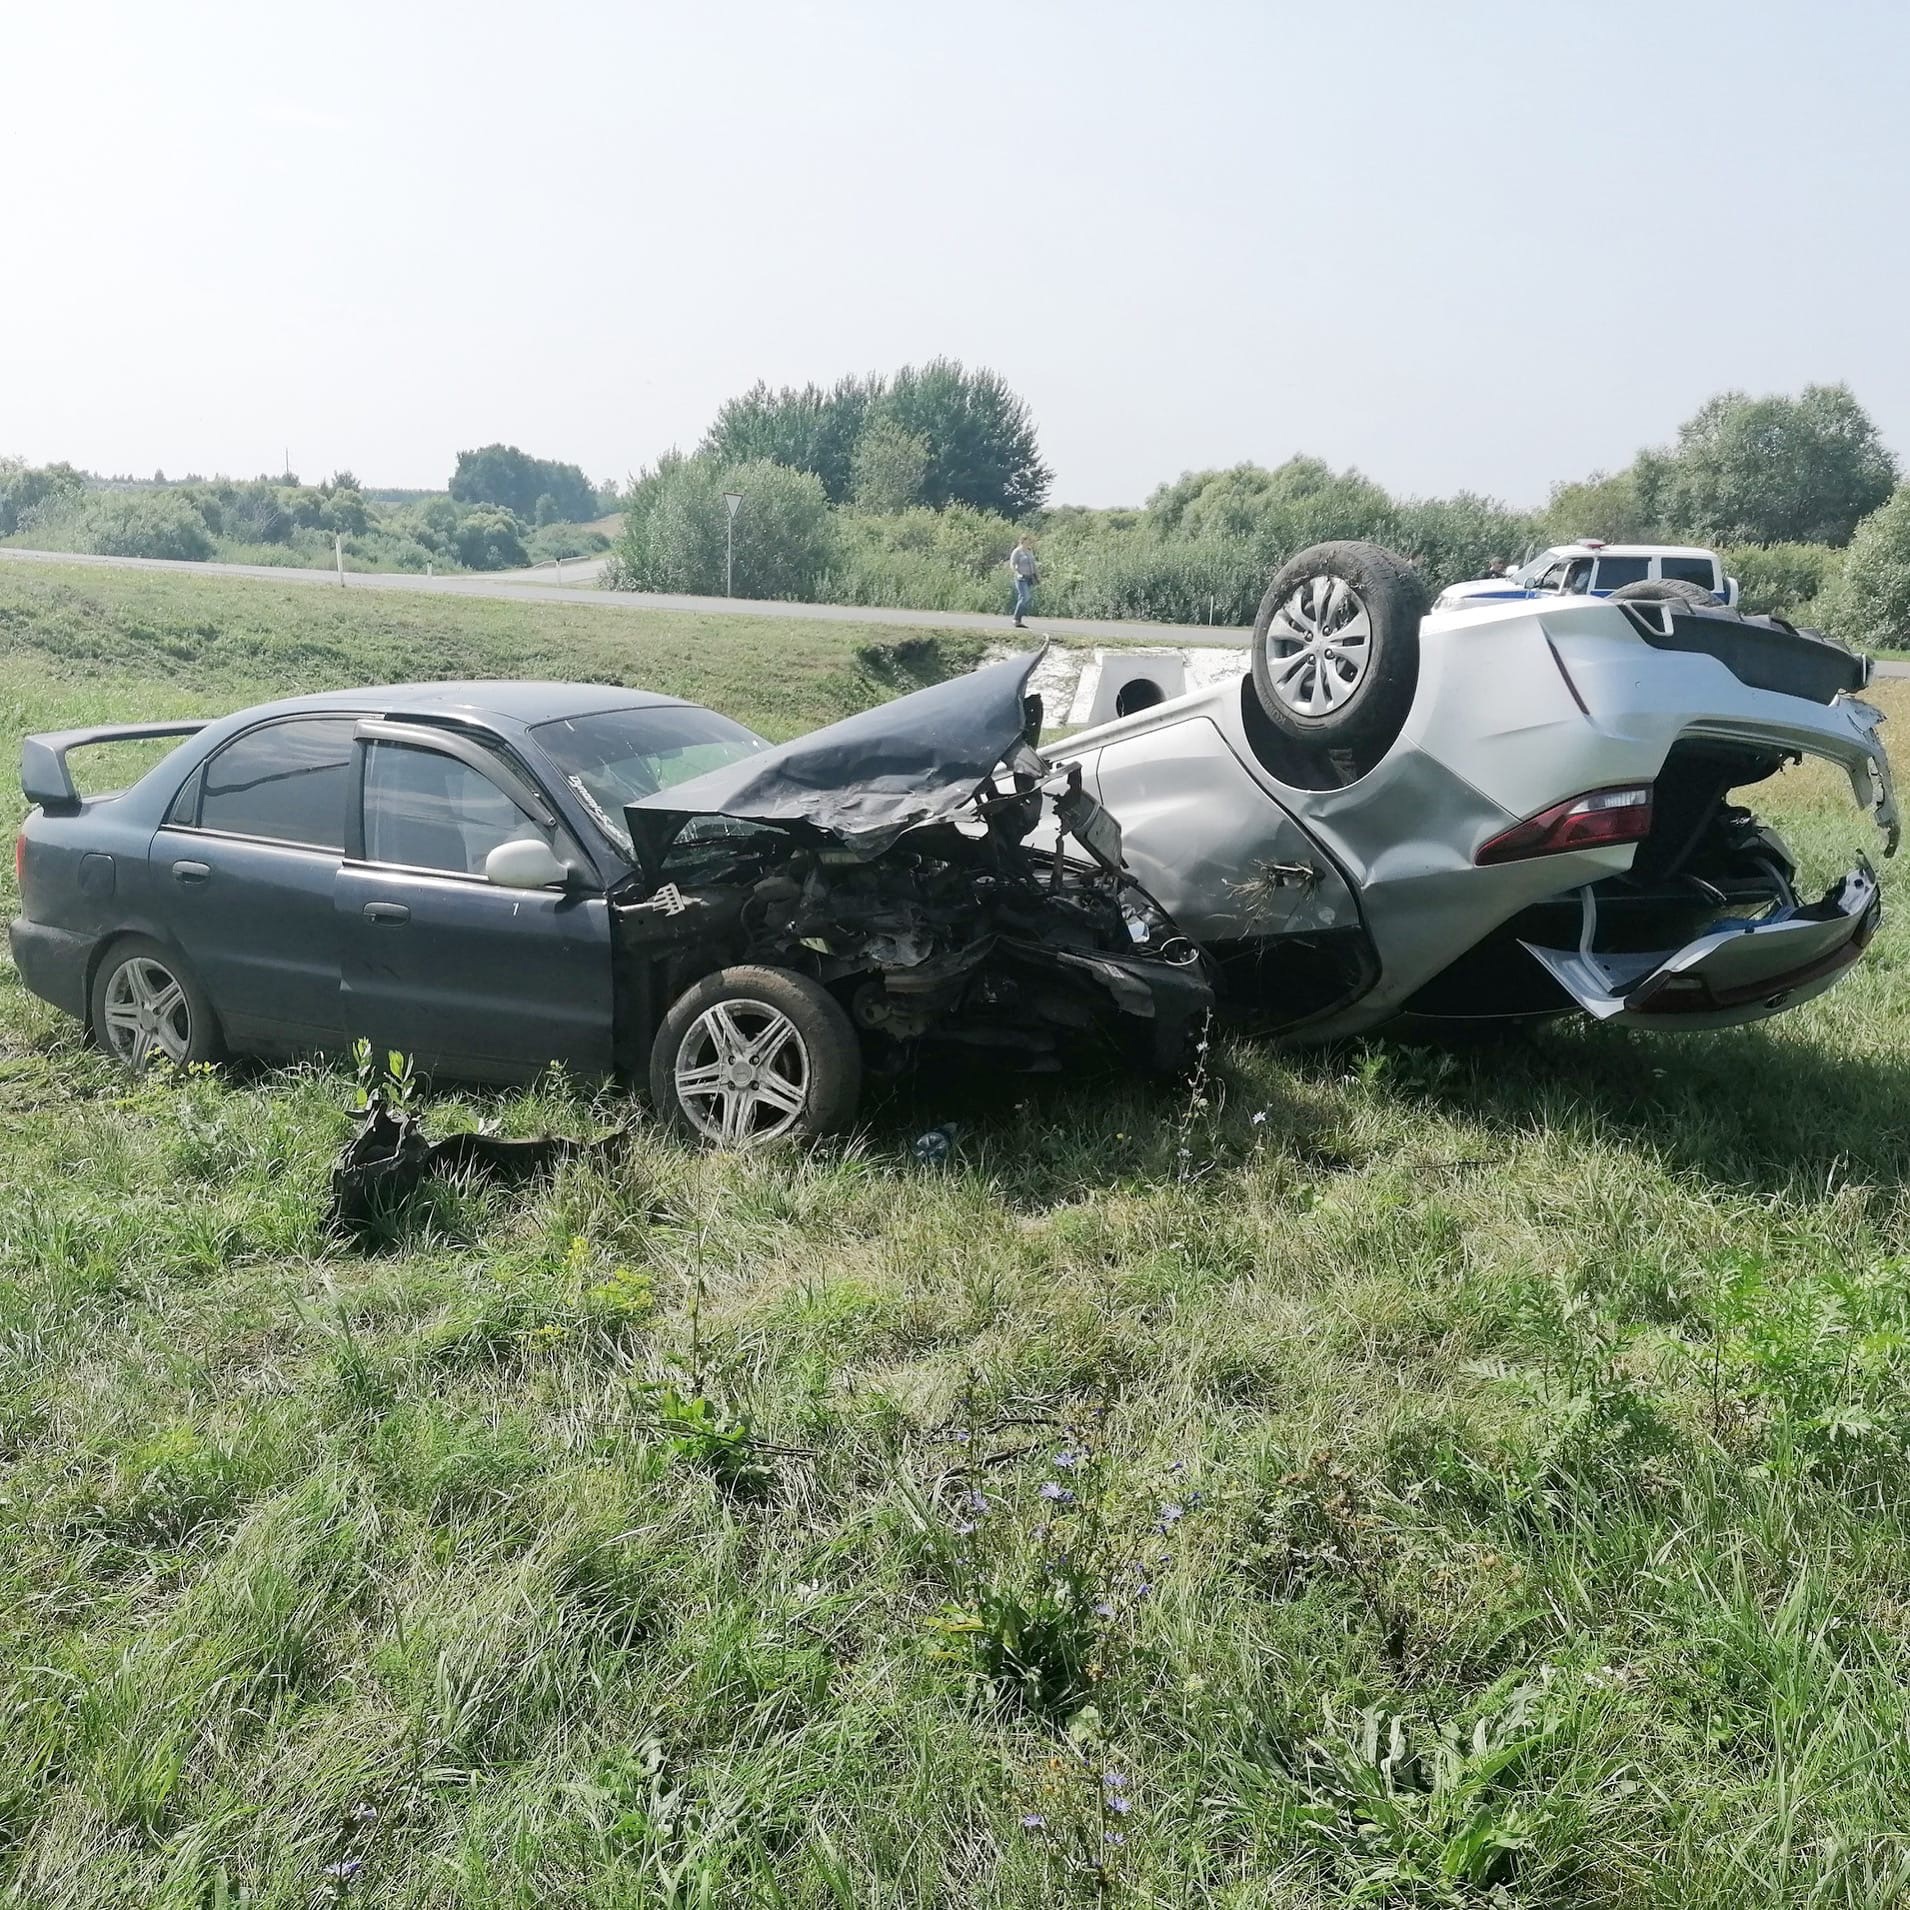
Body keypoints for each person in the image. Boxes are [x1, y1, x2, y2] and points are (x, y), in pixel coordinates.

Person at [1008, 536, 1038, 627]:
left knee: (1025, 598)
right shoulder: (1017, 551)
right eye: (1027, 541)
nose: (1028, 543)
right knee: (1025, 596)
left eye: (1029, 541)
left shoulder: (1029, 551)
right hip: (1021, 578)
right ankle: (1016, 618)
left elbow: (1033, 564)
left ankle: (1018, 620)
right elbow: (1012, 564)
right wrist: (1017, 573)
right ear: (1022, 541)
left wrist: (1037, 576)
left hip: (1029, 577)